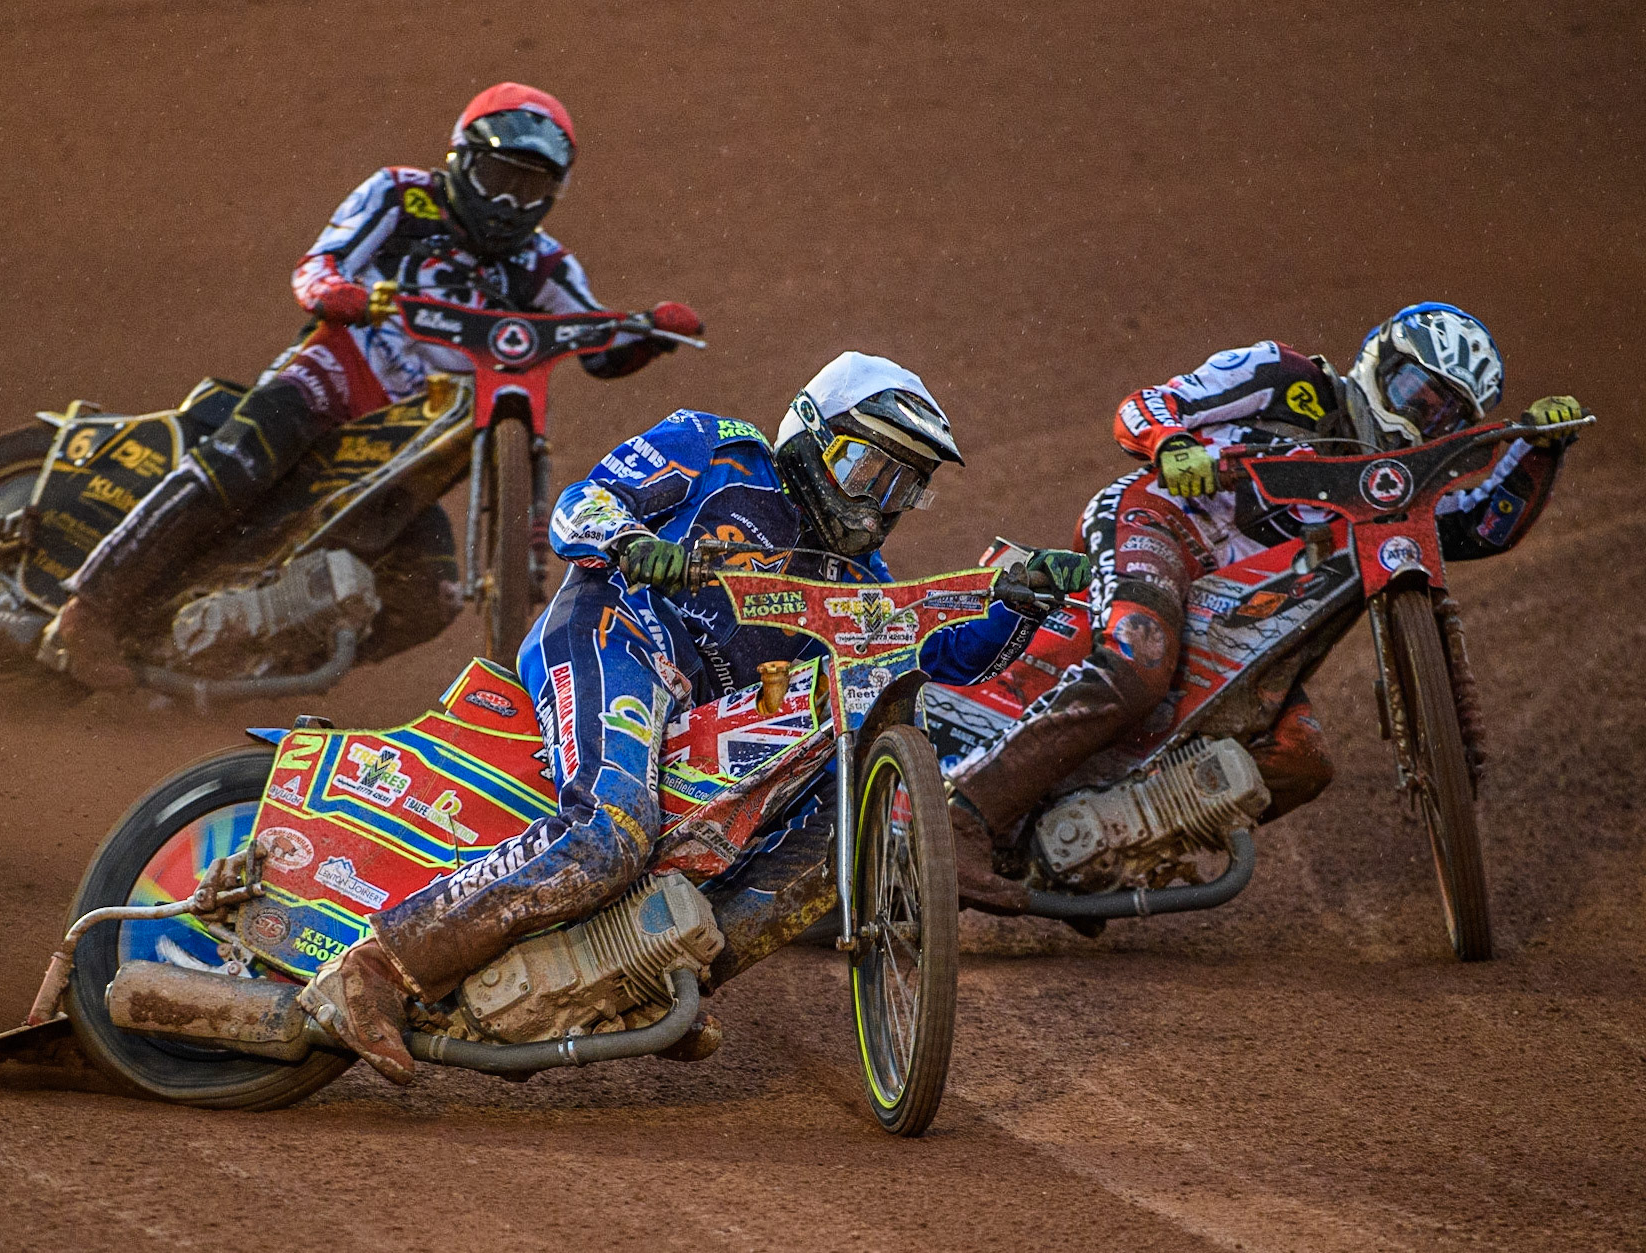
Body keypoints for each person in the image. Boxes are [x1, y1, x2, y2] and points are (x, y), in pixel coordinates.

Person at [298, 351, 1092, 1083]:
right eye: (865, 467)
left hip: (702, 721)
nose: (875, 503)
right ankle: (373, 970)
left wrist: (1019, 602)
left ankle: (647, 977)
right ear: (811, 435)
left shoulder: (859, 581)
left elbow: (940, 656)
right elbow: (583, 502)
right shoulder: (717, 451)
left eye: (900, 486)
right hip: (616, 634)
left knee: (839, 818)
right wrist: (631, 540)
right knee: (610, 830)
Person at [44, 82, 702, 685]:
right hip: (336, 377)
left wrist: (648, 332)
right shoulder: (401, 195)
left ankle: (250, 662)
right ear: (463, 160)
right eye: (498, 178)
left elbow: (596, 346)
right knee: (250, 451)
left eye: (528, 190)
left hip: (413, 439)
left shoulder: (544, 263)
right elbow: (319, 264)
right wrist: (338, 294)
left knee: (429, 595)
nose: (508, 203)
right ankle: (88, 608)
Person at [946, 301, 1585, 912]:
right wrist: (1172, 443)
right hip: (1165, 522)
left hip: (1249, 613)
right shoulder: (1285, 377)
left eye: (1447, 416)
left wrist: (1540, 448)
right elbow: (1144, 406)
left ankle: (1095, 856)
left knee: (1300, 760)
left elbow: (1478, 526)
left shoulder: (1396, 495)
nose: (1424, 419)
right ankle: (963, 818)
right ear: (1380, 361)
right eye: (1418, 393)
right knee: (1139, 657)